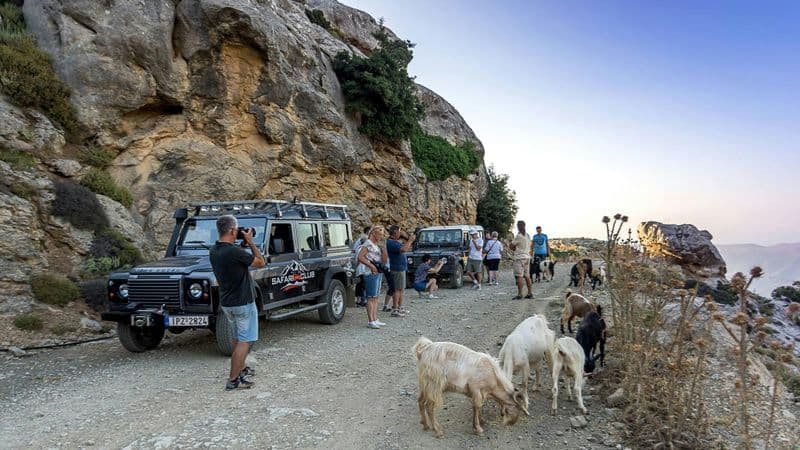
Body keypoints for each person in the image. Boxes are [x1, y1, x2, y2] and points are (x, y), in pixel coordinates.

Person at [209, 215, 266, 391]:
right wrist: (251, 242)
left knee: (236, 338)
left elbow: (236, 260)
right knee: (245, 341)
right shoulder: (234, 252)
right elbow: (260, 263)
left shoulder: (215, 250)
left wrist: (242, 245)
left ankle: (241, 368)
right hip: (242, 302)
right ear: (233, 230)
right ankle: (234, 379)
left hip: (227, 303)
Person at [357, 226, 386, 329]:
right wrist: (371, 266)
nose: (381, 237)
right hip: (370, 272)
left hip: (377, 272)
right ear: (374, 233)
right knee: (371, 296)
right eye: (379, 234)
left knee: (375, 296)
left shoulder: (376, 245)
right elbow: (360, 257)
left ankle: (375, 318)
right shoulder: (368, 243)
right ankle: (371, 320)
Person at [386, 225, 415, 317]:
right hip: (397, 268)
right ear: (395, 232)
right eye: (399, 231)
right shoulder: (391, 243)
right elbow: (404, 249)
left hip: (400, 268)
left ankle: (400, 307)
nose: (400, 233)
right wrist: (410, 241)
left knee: (401, 289)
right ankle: (395, 309)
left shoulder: (394, 242)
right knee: (397, 289)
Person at [509, 220, 533, 300]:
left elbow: (511, 246)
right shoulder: (528, 235)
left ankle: (520, 294)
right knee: (527, 276)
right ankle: (530, 293)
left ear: (518, 226)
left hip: (519, 258)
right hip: (527, 257)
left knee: (519, 276)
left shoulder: (518, 236)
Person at [352, 226, 370, 307]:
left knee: (361, 284)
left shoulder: (360, 246)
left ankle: (360, 299)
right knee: (362, 284)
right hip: (362, 268)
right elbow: (359, 258)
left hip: (361, 268)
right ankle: (362, 300)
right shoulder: (362, 248)